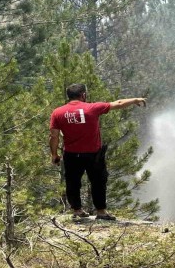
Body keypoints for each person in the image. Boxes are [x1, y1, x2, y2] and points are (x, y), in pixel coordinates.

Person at [49, 83, 146, 220]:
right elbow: (117, 103)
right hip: (93, 154)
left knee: (73, 182)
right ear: (83, 95)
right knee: (98, 182)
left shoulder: (57, 112)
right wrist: (135, 100)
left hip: (71, 154)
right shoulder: (92, 108)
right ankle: (101, 212)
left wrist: (54, 155)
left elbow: (54, 136)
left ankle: (77, 211)